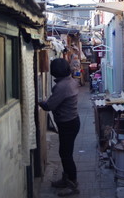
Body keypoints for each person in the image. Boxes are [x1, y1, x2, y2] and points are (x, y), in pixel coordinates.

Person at [38, 58, 80, 197]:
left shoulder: (62, 86)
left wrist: (38, 100)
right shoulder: (71, 81)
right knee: (65, 152)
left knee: (66, 155)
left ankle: (73, 185)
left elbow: (49, 106)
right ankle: (66, 179)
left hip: (67, 124)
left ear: (56, 72)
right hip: (72, 121)